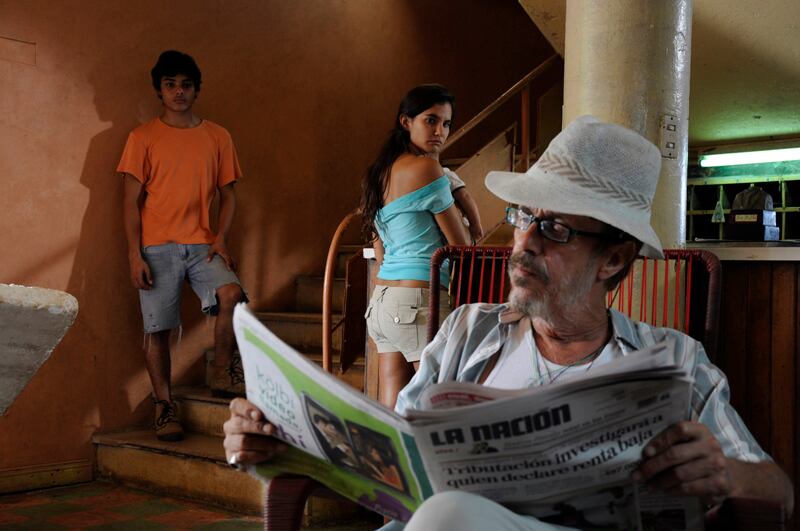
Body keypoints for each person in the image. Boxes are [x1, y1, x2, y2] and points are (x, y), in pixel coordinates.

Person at [223, 116, 794, 528]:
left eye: (556, 229)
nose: (524, 243)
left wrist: (724, 473)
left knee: (450, 516)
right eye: (524, 216)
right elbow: (395, 466)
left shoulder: (673, 362)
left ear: (613, 260)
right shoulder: (468, 332)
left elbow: (779, 492)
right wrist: (282, 443)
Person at [119, 50, 246, 441]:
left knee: (232, 294)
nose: (178, 92)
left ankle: (222, 371)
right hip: (157, 248)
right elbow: (130, 202)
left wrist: (221, 237)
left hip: (202, 245)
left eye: (186, 85)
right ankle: (164, 407)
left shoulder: (218, 136)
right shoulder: (142, 138)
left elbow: (229, 195)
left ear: (196, 90)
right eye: (170, 84)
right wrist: (134, 254)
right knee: (158, 330)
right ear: (159, 90)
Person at [360, 84, 471, 409]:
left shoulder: (378, 174)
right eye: (431, 120)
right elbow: (461, 245)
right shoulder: (427, 168)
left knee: (393, 411)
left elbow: (380, 251)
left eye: (446, 124)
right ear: (406, 121)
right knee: (438, 407)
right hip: (418, 300)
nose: (440, 131)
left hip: (382, 302)